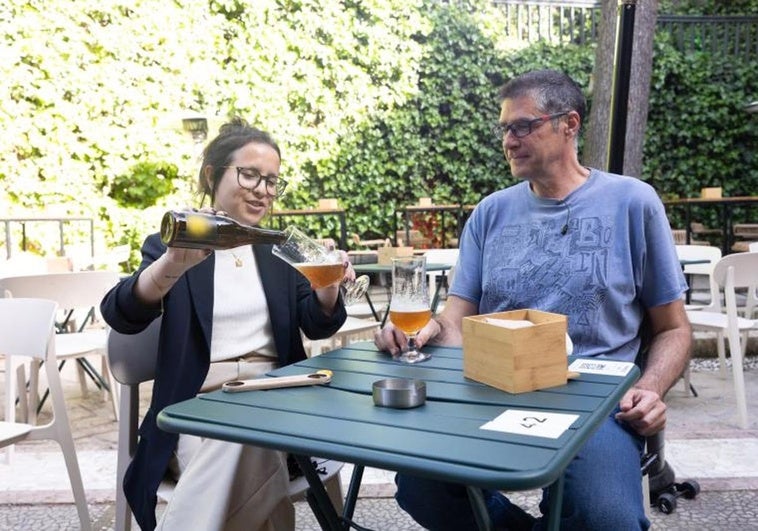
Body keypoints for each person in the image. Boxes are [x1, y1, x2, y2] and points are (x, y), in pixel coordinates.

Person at [375, 69, 692, 530]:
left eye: (523, 125)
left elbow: (674, 328)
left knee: (607, 519)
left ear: (570, 124)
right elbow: (457, 320)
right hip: (490, 390)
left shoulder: (632, 202)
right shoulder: (490, 213)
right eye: (504, 128)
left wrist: (650, 388)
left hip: (594, 403)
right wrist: (420, 333)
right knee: (420, 486)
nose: (509, 139)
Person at [101, 118, 349, 531]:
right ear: (213, 175)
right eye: (250, 174)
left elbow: (317, 323)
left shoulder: (280, 247)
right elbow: (121, 313)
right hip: (195, 405)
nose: (262, 190)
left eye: (272, 181)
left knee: (249, 432)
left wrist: (328, 285)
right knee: (249, 440)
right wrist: (170, 267)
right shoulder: (176, 242)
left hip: (279, 391)